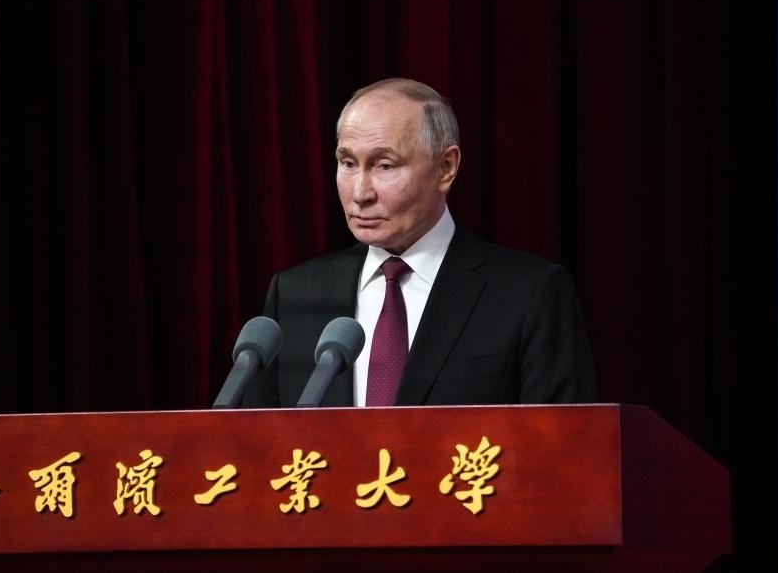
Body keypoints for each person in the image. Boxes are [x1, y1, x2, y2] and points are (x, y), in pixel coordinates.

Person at [243, 78, 597, 407]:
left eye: (384, 166)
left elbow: (564, 442)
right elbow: (257, 440)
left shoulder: (529, 294)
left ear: (446, 167)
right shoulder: (295, 294)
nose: (361, 193)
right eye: (348, 163)